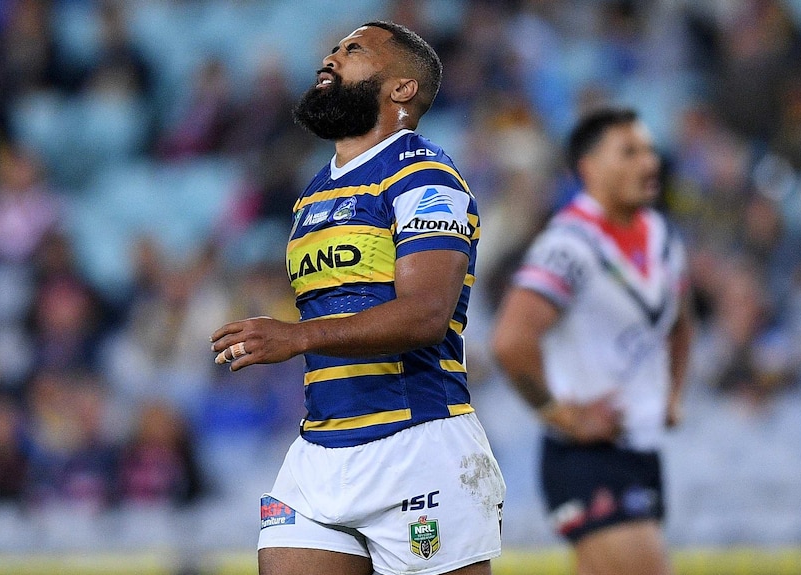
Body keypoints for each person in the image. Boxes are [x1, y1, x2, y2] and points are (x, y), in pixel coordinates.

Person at [209, 21, 505, 575]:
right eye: (331, 49)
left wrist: (295, 337)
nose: (331, 57)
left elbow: (426, 315)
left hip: (416, 443)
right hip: (320, 451)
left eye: (353, 50)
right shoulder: (313, 194)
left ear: (401, 89)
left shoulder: (424, 177)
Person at [491, 107, 694, 575]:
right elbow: (510, 341)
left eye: (648, 150)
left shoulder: (661, 236)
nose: (648, 163)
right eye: (629, 152)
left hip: (642, 449)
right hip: (586, 455)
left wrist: (673, 394)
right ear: (589, 168)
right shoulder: (569, 246)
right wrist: (562, 416)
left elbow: (681, 324)